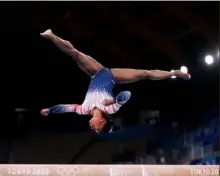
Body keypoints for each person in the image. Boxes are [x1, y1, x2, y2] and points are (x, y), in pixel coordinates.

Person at [40, 29, 191, 134]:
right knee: (145, 73)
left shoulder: (84, 110)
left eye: (95, 131)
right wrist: (113, 101)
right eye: (97, 129)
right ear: (103, 123)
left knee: (75, 55)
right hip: (112, 77)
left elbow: (65, 108)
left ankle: (51, 36)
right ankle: (174, 73)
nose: (93, 128)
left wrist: (50, 109)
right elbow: (127, 94)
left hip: (96, 72)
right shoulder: (110, 110)